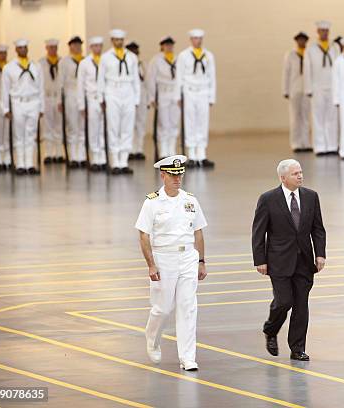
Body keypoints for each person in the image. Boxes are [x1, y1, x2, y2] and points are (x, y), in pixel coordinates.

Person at [135, 154, 208, 370]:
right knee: (163, 308)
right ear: (163, 175)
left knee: (187, 307)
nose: (178, 179)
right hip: (163, 258)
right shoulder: (152, 203)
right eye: (173, 175)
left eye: (180, 175)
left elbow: (198, 232)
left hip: (187, 257)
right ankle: (152, 338)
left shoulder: (190, 200)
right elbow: (143, 235)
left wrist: (201, 261)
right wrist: (150, 264)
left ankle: (187, 357)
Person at [251, 159, 326, 361]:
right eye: (295, 174)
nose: (300, 176)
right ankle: (271, 329)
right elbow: (259, 232)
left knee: (301, 306)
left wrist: (320, 254)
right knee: (284, 302)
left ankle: (297, 348)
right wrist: (260, 259)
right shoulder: (268, 199)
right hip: (279, 261)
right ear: (283, 178)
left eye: (301, 172)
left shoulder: (311, 197)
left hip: (304, 261)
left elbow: (318, 229)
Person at [97, 29, 140, 174]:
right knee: (114, 126)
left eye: (121, 39)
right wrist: (100, 97)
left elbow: (136, 80)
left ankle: (124, 161)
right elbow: (100, 79)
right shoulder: (106, 57)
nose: (119, 42)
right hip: (112, 92)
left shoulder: (132, 57)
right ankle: (115, 160)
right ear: (112, 41)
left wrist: (136, 98)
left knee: (127, 127)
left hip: (128, 92)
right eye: (116, 39)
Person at [1, 39, 44, 175]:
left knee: (31, 135)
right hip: (18, 102)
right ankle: (20, 163)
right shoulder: (9, 67)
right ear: (16, 50)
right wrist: (5, 108)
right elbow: (5, 89)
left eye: (25, 48)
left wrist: (41, 107)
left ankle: (30, 163)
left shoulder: (36, 66)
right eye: (20, 48)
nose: (23, 50)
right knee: (19, 135)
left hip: (33, 102)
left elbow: (41, 87)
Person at [176, 29, 216, 168]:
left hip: (203, 91)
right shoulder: (183, 55)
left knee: (202, 122)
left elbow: (212, 76)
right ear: (190, 40)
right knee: (190, 121)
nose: (197, 41)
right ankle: (192, 154)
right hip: (189, 91)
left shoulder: (208, 55)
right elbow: (179, 76)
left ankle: (202, 154)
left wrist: (211, 96)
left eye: (199, 38)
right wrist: (178, 95)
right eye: (194, 38)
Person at [304, 20, 339, 155]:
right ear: (317, 32)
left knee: (332, 117)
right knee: (318, 117)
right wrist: (308, 89)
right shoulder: (311, 49)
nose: (324, 33)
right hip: (317, 86)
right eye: (322, 30)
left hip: (332, 86)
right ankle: (319, 146)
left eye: (326, 31)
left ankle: (331, 145)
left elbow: (338, 69)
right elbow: (307, 69)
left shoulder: (334, 47)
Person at [148, 36, 180, 160]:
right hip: (162, 93)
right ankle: (163, 151)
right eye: (166, 45)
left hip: (175, 93)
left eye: (171, 45)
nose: (169, 47)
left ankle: (172, 149)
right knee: (163, 123)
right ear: (162, 46)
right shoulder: (156, 60)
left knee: (174, 122)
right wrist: (152, 97)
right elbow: (151, 79)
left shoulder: (178, 59)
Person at [77, 36, 107, 172]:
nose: (98, 48)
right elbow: (80, 85)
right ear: (90, 47)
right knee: (94, 129)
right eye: (95, 46)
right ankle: (95, 157)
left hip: (105, 99)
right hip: (92, 98)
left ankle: (103, 157)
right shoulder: (84, 63)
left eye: (100, 46)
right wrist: (81, 105)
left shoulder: (106, 60)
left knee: (103, 128)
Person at [282, 32, 311, 152]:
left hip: (307, 89)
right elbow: (286, 73)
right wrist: (285, 89)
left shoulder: (308, 54)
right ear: (296, 41)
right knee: (295, 117)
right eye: (299, 40)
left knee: (305, 117)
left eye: (304, 40)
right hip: (294, 89)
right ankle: (296, 143)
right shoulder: (290, 55)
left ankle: (306, 142)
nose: (301, 42)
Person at [59, 36, 86, 168]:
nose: (77, 47)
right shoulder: (64, 62)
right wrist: (60, 100)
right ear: (70, 47)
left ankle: (82, 155)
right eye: (74, 45)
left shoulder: (85, 60)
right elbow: (60, 82)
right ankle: (73, 156)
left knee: (82, 126)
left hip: (83, 94)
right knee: (72, 125)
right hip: (70, 94)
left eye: (79, 45)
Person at [38, 38, 63, 164]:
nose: (53, 49)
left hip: (58, 97)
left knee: (58, 126)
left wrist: (61, 100)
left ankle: (58, 153)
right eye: (50, 47)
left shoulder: (62, 62)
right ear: (46, 48)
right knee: (47, 126)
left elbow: (63, 83)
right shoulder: (41, 63)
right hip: (46, 97)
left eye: (55, 47)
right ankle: (48, 153)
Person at [126, 41, 147, 161]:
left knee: (141, 123)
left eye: (136, 50)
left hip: (142, 97)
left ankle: (139, 149)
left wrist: (149, 99)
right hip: (130, 97)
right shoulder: (126, 64)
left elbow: (147, 81)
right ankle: (130, 149)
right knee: (130, 124)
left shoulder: (142, 64)